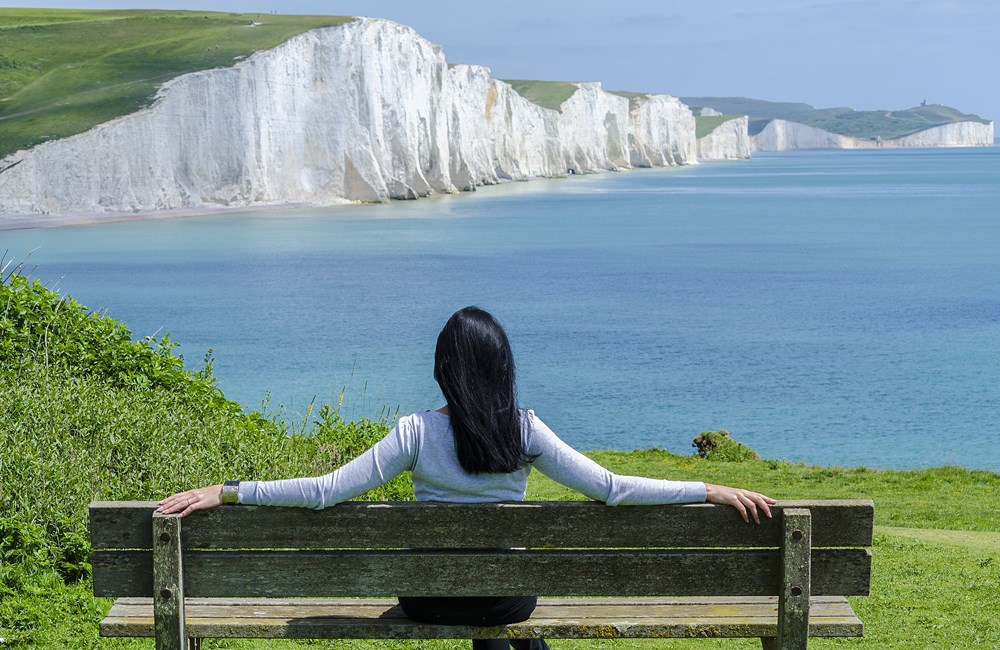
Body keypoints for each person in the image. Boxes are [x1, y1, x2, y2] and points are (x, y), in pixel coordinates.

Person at [159, 306, 775, 650]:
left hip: (426, 599)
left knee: (469, 615)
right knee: (504, 626)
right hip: (507, 598)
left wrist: (227, 490)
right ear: (502, 366)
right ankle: (507, 649)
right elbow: (612, 488)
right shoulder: (526, 430)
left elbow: (323, 492)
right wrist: (709, 488)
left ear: (443, 369)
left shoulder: (414, 433)